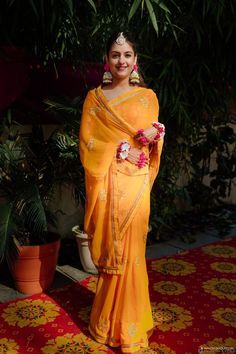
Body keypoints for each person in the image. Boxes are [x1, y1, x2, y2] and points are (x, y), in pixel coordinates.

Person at [79, 31, 165, 353]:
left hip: (137, 183)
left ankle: (129, 326)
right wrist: (118, 148)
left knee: (132, 253)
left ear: (136, 61)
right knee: (113, 252)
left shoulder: (147, 97)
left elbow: (154, 140)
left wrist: (154, 134)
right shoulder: (94, 99)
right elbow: (88, 145)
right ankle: (105, 322)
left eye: (127, 54)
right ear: (106, 61)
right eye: (115, 55)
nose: (121, 61)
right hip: (109, 182)